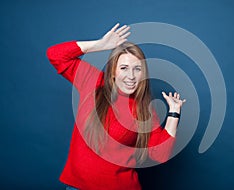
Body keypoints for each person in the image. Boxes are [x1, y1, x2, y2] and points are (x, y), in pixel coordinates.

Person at [46, 23, 186, 190]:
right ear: (113, 71)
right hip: (77, 186)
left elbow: (160, 154)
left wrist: (174, 113)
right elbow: (55, 55)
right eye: (124, 68)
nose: (131, 76)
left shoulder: (144, 110)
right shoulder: (93, 82)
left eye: (137, 69)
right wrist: (98, 45)